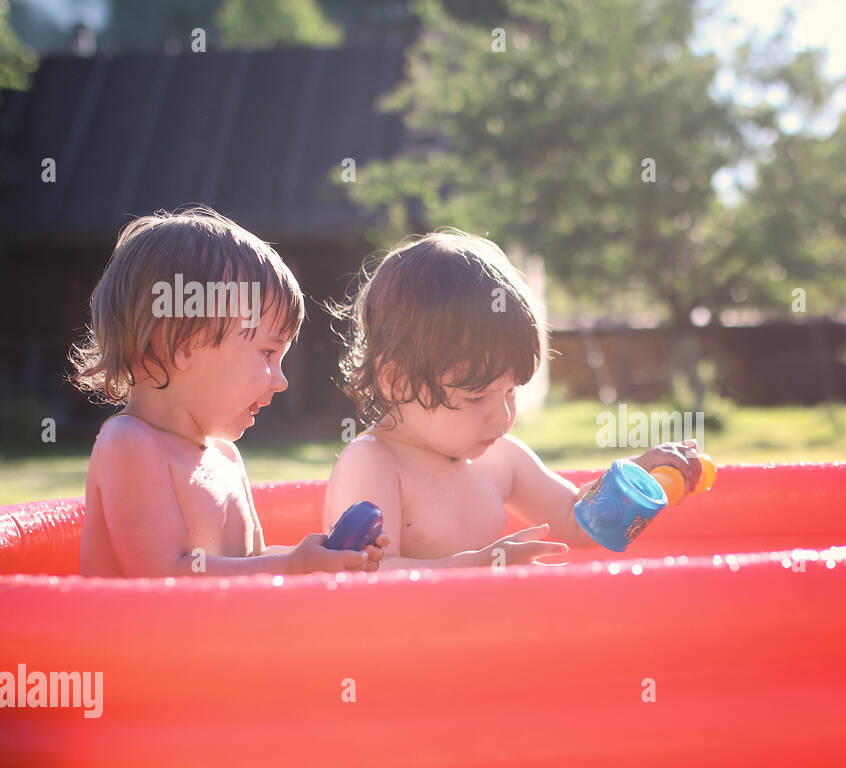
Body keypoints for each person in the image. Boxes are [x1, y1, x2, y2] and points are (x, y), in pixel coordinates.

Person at [325, 229, 701, 568]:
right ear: (398, 381)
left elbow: (576, 520)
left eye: (511, 391)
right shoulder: (374, 462)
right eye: (476, 397)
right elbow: (361, 575)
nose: (502, 415)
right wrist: (476, 567)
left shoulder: (502, 458)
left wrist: (635, 477)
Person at [71, 206, 387, 577]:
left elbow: (250, 565)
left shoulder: (226, 457)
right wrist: (290, 567)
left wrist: (325, 560)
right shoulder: (129, 444)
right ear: (184, 346)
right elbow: (161, 578)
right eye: (268, 354)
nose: (280, 380)